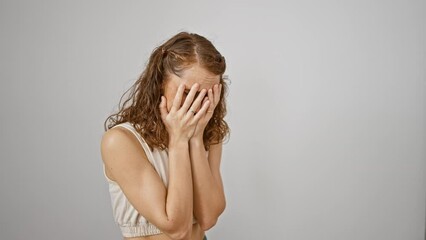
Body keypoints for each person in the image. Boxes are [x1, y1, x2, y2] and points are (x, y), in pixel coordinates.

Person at [100, 31, 230, 240]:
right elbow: (177, 228)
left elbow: (208, 218)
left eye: (207, 95)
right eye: (188, 93)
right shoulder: (121, 141)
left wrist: (195, 139)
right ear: (160, 81)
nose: (197, 107)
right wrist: (178, 141)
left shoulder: (209, 134)